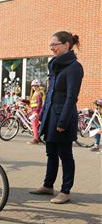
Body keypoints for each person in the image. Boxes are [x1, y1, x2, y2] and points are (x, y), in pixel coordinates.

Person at [30, 31, 83, 204]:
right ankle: (48, 185)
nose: (51, 48)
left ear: (66, 45)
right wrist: (43, 117)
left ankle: (65, 191)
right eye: (50, 45)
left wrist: (63, 121)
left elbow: (71, 97)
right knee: (51, 153)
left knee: (65, 154)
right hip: (50, 116)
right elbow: (51, 94)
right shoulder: (55, 66)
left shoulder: (74, 67)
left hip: (63, 117)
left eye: (54, 44)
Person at [27, 79, 43, 144]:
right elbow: (31, 102)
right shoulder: (34, 93)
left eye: (35, 86)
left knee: (34, 125)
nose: (34, 87)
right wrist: (23, 100)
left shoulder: (39, 93)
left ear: (38, 86)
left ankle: (35, 139)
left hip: (36, 110)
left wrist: (36, 111)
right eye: (33, 86)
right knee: (36, 125)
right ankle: (38, 138)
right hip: (34, 110)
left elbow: (40, 103)